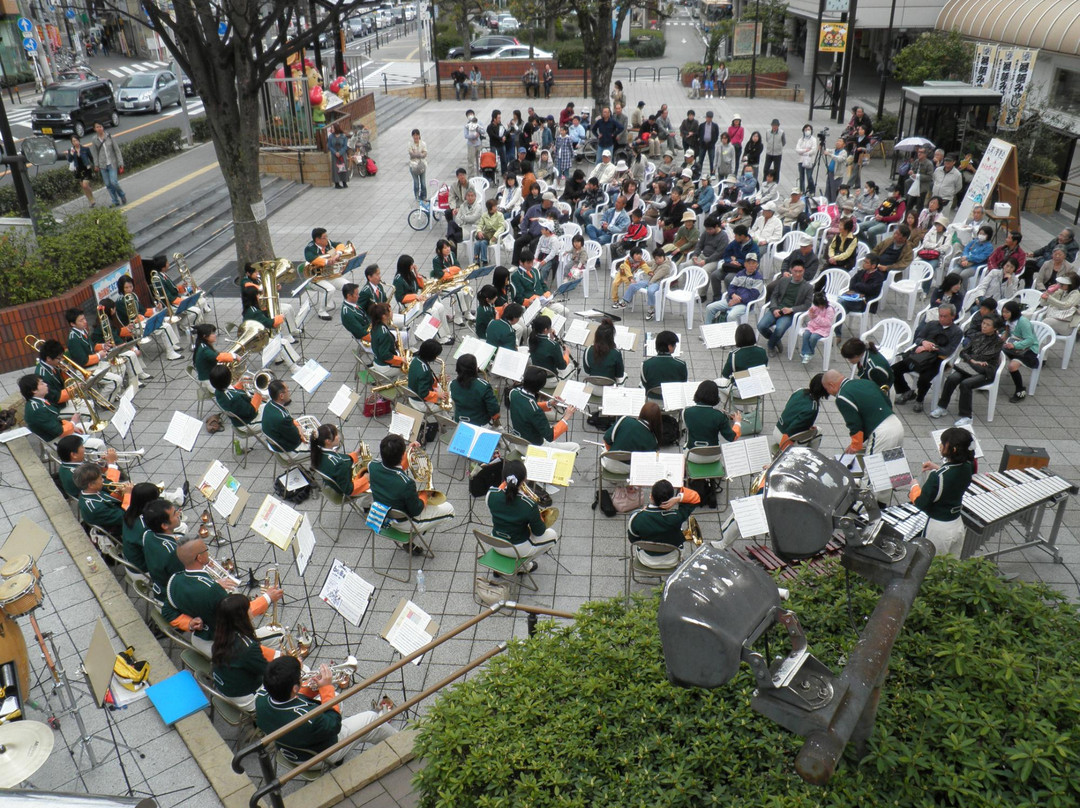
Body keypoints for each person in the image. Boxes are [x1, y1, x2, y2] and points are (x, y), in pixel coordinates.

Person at [256, 655, 397, 765]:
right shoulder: (309, 719)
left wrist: (314, 686)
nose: (302, 678)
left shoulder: (260, 698)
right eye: (299, 678)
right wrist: (326, 687)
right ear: (294, 688)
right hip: (316, 756)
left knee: (333, 697)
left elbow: (294, 697)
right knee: (371, 719)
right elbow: (334, 723)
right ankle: (401, 740)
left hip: (288, 747)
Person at [166, 538, 282, 657]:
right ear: (199, 558)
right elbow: (241, 616)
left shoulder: (174, 581)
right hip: (225, 643)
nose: (208, 552)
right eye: (206, 550)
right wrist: (268, 597)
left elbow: (167, 612)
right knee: (280, 634)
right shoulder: (212, 590)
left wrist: (189, 623)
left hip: (199, 639)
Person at [908, 427, 975, 557]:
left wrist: (914, 487)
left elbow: (921, 503)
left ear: (953, 449)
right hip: (957, 525)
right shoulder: (968, 466)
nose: (940, 446)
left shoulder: (937, 477)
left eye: (943, 443)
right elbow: (953, 476)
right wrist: (937, 467)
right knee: (951, 567)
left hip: (939, 529)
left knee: (932, 568)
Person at [368, 433, 456, 532]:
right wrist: (425, 494)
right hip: (405, 523)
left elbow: (393, 469)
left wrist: (408, 451)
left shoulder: (372, 465)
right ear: (401, 456)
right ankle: (413, 536)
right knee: (449, 509)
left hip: (381, 515)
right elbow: (416, 510)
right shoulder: (406, 483)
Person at [485, 460, 558, 574]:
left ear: (504, 478)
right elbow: (539, 532)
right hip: (517, 548)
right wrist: (538, 518)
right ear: (524, 479)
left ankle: (500, 567)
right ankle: (525, 566)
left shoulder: (490, 494)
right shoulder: (529, 504)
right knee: (553, 535)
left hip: (496, 542)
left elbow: (503, 510)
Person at [891, 303, 962, 413]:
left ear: (952, 316)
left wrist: (931, 347)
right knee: (894, 369)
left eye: (945, 316)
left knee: (924, 378)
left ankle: (920, 399)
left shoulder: (957, 332)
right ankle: (906, 391)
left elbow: (948, 351)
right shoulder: (932, 324)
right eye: (940, 315)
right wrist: (923, 342)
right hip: (920, 356)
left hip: (937, 359)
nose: (941, 319)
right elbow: (918, 338)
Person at [210, 594, 276, 710]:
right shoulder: (248, 648)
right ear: (241, 617)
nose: (251, 610)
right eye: (248, 608)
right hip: (247, 697)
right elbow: (269, 672)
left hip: (227, 689)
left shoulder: (221, 634)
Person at [821, 369, 904, 454]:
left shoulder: (842, 397)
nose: (829, 392)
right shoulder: (866, 382)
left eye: (827, 389)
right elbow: (887, 402)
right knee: (893, 464)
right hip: (897, 425)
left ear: (831, 385)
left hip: (882, 432)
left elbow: (854, 423)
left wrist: (856, 445)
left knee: (874, 466)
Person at [627, 479, 702, 569]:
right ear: (671, 500)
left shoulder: (636, 518)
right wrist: (678, 498)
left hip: (646, 559)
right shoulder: (677, 516)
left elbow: (634, 540)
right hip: (672, 559)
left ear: (651, 496)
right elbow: (695, 498)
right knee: (678, 531)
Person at [508, 367, 578, 451]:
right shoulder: (536, 411)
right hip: (534, 448)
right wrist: (566, 416)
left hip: (518, 442)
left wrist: (549, 403)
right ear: (541, 386)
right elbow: (550, 436)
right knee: (575, 447)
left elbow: (527, 406)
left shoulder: (513, 393)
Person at [394, 254, 451, 345]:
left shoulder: (410, 273)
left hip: (418, 299)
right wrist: (415, 296)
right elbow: (400, 298)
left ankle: (446, 334)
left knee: (440, 307)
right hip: (409, 303)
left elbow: (421, 286)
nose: (413, 266)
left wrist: (417, 273)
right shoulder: (398, 280)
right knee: (433, 311)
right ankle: (440, 338)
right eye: (411, 264)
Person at [758, 263, 813, 354]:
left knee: (779, 329)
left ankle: (771, 345)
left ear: (804, 271)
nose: (798, 274)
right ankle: (775, 339)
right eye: (795, 271)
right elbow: (774, 296)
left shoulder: (808, 287)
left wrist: (791, 309)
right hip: (777, 309)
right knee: (761, 326)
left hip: (789, 314)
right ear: (791, 270)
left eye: (800, 271)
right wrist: (774, 308)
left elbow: (807, 305)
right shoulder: (784, 280)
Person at [684, 380, 741, 460]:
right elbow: (732, 437)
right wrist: (737, 422)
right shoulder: (719, 415)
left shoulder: (686, 412)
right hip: (713, 456)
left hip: (692, 454)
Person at [20, 375, 86, 443]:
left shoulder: (38, 402)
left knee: (87, 427)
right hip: (59, 442)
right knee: (96, 443)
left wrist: (71, 426)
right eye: (42, 383)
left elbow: (56, 421)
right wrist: (73, 422)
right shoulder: (38, 410)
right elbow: (60, 432)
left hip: (61, 435)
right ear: (34, 390)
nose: (46, 384)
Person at [73, 462, 131, 540]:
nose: (103, 480)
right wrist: (128, 494)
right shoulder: (96, 508)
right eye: (100, 479)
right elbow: (125, 517)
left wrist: (118, 492)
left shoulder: (90, 492)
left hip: (116, 515)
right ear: (91, 485)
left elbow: (108, 500)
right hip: (120, 527)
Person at [309, 423, 370, 497]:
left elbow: (341, 460)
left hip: (334, 482)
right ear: (328, 441)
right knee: (378, 482)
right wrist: (365, 478)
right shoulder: (339, 464)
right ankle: (367, 506)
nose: (338, 437)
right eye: (336, 435)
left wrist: (356, 454)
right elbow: (349, 489)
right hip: (347, 489)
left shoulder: (317, 452)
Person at [603, 401, 663, 472]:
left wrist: (614, 454)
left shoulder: (624, 419)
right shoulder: (653, 441)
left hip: (608, 462)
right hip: (630, 469)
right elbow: (647, 461)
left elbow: (606, 440)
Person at [773, 373, 827, 451]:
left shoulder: (800, 391)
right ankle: (810, 456)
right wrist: (782, 453)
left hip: (777, 429)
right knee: (819, 431)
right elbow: (790, 434)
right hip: (784, 440)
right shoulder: (812, 409)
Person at [999, 300, 1039, 403]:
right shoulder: (1009, 320)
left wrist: (1014, 345)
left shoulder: (1023, 322)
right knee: (995, 352)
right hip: (1015, 346)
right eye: (1003, 312)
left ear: (1014, 312)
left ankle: (1020, 390)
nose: (1004, 314)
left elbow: (1030, 340)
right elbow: (1010, 333)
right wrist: (1004, 335)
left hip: (1029, 350)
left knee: (1012, 366)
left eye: (1007, 312)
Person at [837, 254, 887, 336]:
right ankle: (836, 333)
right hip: (854, 299)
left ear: (873, 266)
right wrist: (859, 291)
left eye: (866, 262)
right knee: (840, 305)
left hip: (865, 303)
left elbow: (871, 290)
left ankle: (837, 334)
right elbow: (852, 283)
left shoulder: (878, 277)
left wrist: (859, 286)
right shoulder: (861, 272)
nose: (863, 264)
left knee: (840, 304)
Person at [706, 253, 763, 324]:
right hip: (731, 299)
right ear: (745, 264)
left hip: (744, 304)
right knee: (710, 308)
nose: (751, 265)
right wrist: (733, 295)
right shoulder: (740, 274)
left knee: (731, 316)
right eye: (749, 263)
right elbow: (731, 286)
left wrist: (739, 299)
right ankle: (708, 328)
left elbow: (753, 295)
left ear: (757, 265)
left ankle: (731, 334)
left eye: (753, 263)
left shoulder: (759, 278)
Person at [120, 482, 161, 574]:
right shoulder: (146, 527)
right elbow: (157, 553)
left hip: (130, 562)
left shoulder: (129, 512)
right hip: (142, 571)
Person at [450, 353, 500, 426]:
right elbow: (494, 409)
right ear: (474, 369)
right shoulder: (484, 386)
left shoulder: (452, 384)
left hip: (459, 421)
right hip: (480, 423)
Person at [210, 365, 263, 429]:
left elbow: (232, 391)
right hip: (249, 422)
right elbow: (251, 412)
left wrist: (241, 383)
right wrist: (259, 392)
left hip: (242, 416)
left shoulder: (218, 391)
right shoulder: (234, 399)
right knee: (276, 418)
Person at [262, 379, 307, 453]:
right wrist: (299, 428)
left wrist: (296, 424)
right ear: (281, 396)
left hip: (277, 444)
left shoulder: (268, 405)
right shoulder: (283, 418)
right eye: (287, 390)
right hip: (290, 450)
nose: (289, 392)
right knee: (321, 446)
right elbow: (296, 438)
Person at [89, 121, 126, 207]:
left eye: (100, 126)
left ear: (103, 127)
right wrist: (96, 165)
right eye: (97, 127)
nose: (99, 128)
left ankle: (122, 195)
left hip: (112, 164)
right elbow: (94, 153)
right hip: (103, 165)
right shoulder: (94, 139)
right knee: (108, 184)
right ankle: (115, 201)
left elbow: (117, 150)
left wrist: (121, 163)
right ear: (94, 129)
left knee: (114, 182)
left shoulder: (109, 137)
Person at [192, 323, 238, 390]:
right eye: (212, 333)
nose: (215, 335)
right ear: (205, 336)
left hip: (211, 377)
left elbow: (216, 355)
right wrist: (234, 356)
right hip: (210, 380)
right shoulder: (204, 349)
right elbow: (218, 357)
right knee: (234, 391)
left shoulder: (202, 344)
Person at [641, 331, 687, 397]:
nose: (675, 346)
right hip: (673, 399)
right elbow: (683, 383)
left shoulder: (645, 364)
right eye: (674, 345)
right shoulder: (681, 364)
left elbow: (645, 383)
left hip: (653, 400)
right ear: (669, 347)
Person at [407, 338, 448, 411]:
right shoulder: (424, 371)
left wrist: (437, 380)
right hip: (421, 403)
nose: (436, 357)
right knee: (448, 398)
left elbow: (421, 381)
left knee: (441, 390)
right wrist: (438, 395)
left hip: (414, 395)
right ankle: (444, 418)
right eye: (436, 355)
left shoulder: (416, 359)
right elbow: (424, 394)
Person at [527, 315, 572, 380]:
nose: (551, 328)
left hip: (537, 376)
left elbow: (544, 349)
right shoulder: (553, 345)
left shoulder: (530, 339)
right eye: (550, 327)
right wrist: (566, 354)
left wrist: (551, 338)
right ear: (545, 330)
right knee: (572, 367)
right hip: (550, 380)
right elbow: (562, 366)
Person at [800, 292, 837, 364]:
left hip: (824, 329)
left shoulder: (829, 309)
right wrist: (810, 313)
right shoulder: (815, 307)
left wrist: (816, 317)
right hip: (812, 326)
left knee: (813, 337)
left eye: (821, 305)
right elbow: (811, 317)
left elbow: (827, 323)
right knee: (806, 334)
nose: (820, 306)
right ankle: (807, 353)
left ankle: (808, 353)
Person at [1040, 271, 1080, 336]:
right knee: (1037, 319)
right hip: (1055, 318)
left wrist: (1049, 298)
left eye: (1063, 284)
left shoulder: (1076, 294)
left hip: (1067, 324)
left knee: (1047, 321)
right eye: (1060, 283)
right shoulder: (1060, 291)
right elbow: (1042, 303)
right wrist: (1049, 292)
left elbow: (1066, 306)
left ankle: (1035, 342)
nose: (1060, 285)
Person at [67, 134, 96, 207]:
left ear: (79, 140)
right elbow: (70, 160)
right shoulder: (71, 150)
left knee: (85, 185)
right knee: (83, 187)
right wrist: (71, 153)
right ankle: (91, 201)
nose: (75, 142)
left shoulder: (85, 149)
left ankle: (92, 198)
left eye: (76, 140)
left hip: (86, 169)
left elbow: (91, 158)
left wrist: (95, 166)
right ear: (71, 142)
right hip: (78, 170)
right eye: (73, 141)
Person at [794, 125, 817, 194]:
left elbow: (813, 150)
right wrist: (806, 150)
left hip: (810, 161)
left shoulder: (813, 139)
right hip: (801, 160)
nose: (807, 131)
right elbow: (797, 150)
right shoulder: (801, 140)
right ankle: (802, 191)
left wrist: (804, 152)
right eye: (806, 129)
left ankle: (812, 190)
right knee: (801, 176)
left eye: (809, 129)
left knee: (809, 176)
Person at [698, 111, 721, 176]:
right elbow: (699, 134)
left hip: (711, 145)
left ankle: (712, 174)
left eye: (710, 118)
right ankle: (699, 173)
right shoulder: (702, 125)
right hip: (703, 145)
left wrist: (713, 142)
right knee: (700, 160)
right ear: (706, 117)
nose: (709, 119)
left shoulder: (715, 126)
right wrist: (701, 142)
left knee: (712, 160)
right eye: (708, 117)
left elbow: (717, 135)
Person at [327, 123, 350, 189]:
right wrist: (335, 152)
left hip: (342, 155)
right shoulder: (331, 137)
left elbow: (345, 146)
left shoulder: (343, 136)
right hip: (334, 155)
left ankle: (344, 182)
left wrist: (340, 152)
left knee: (343, 168)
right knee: (335, 169)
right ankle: (337, 183)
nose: (331, 129)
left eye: (332, 128)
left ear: (336, 128)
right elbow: (329, 146)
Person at [408, 128, 428, 201]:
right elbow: (411, 155)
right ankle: (417, 196)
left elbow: (425, 154)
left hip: (422, 165)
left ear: (419, 135)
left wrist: (416, 154)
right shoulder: (410, 144)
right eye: (414, 135)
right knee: (416, 183)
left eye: (417, 135)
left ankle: (424, 196)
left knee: (423, 182)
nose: (416, 136)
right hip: (413, 166)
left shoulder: (423, 143)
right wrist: (420, 154)